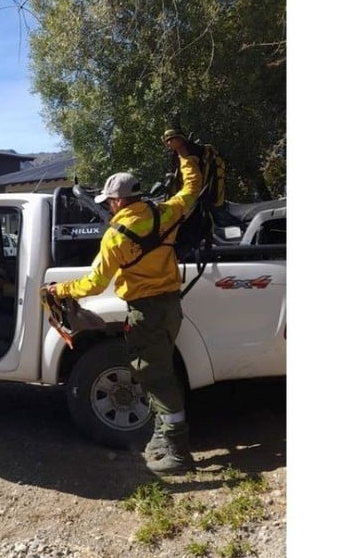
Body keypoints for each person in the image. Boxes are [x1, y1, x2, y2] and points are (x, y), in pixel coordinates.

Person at [44, 167, 202, 475]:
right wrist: (185, 158)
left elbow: (93, 285)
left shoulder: (116, 238)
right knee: (162, 371)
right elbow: (192, 189)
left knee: (156, 378)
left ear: (117, 201)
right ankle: (161, 439)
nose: (108, 206)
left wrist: (59, 290)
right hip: (170, 307)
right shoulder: (167, 212)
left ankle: (179, 455)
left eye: (108, 202)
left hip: (146, 312)